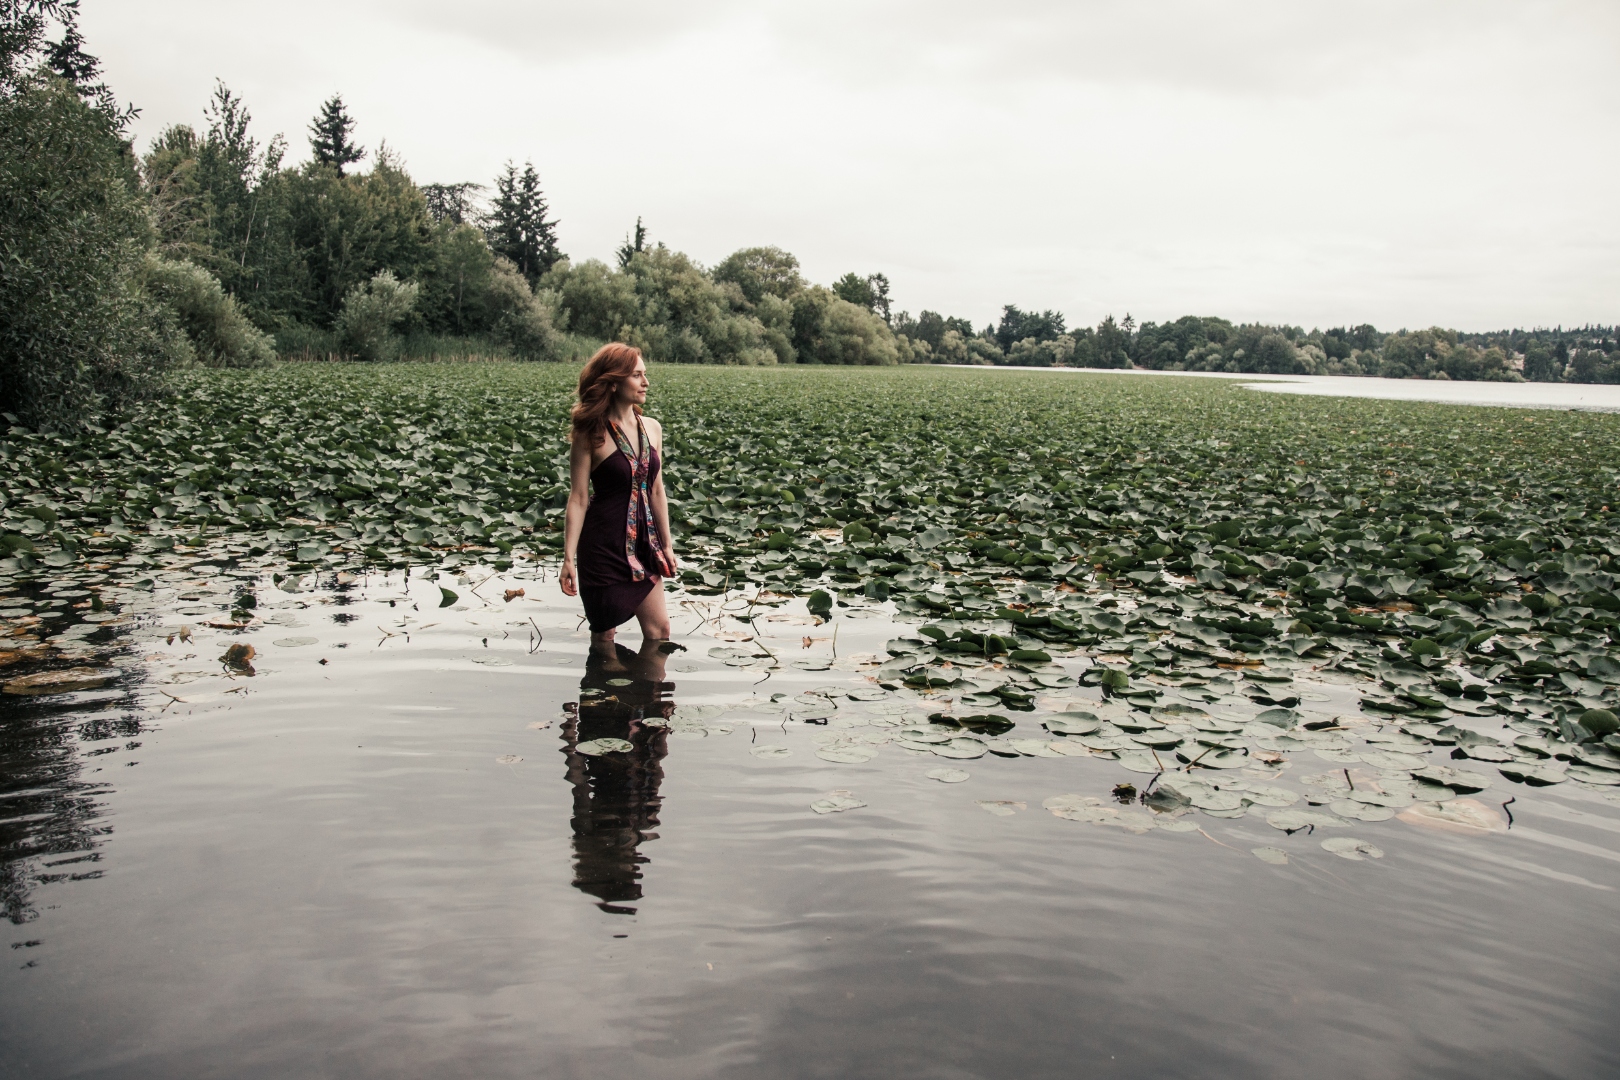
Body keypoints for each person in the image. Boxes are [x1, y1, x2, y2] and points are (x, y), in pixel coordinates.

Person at [559, 343, 676, 643]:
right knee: (604, 637)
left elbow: (657, 491)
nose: (646, 382)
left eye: (645, 374)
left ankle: (647, 691)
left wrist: (667, 545)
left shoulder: (652, 428)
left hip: (644, 546)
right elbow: (579, 498)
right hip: (603, 548)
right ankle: (602, 690)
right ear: (613, 382)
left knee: (659, 631)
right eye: (637, 375)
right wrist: (569, 558)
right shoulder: (590, 433)